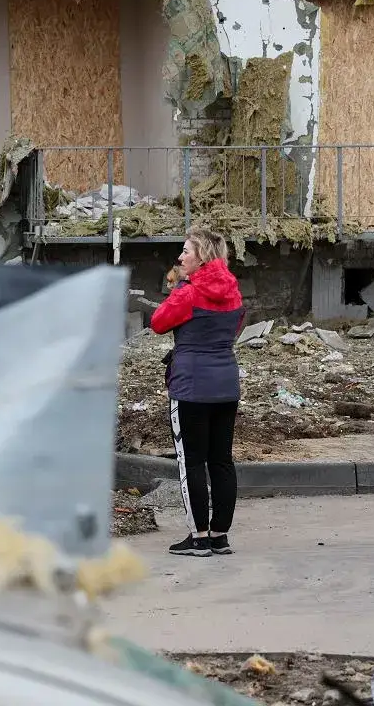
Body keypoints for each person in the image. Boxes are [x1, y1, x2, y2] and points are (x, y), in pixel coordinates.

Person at [149, 227, 245, 557]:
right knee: (222, 460)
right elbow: (235, 327)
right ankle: (220, 536)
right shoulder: (233, 292)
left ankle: (199, 537)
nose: (180, 257)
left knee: (191, 462)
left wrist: (178, 290)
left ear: (201, 257)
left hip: (190, 385)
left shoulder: (188, 293)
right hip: (226, 384)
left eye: (186, 251)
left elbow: (158, 322)